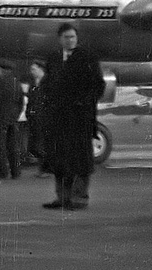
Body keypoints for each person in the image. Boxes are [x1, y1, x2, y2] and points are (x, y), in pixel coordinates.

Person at [41, 24, 105, 210]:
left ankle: (79, 197)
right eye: (67, 37)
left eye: (73, 37)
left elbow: (98, 86)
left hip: (80, 118)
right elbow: (48, 83)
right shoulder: (53, 58)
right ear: (60, 38)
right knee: (59, 160)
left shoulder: (87, 58)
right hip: (59, 118)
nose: (71, 40)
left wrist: (83, 102)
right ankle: (62, 198)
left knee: (79, 160)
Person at [0, 62, 25, 180]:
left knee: (0, 146)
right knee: (13, 146)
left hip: (0, 118)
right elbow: (21, 102)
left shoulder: (0, 83)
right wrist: (15, 115)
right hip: (12, 119)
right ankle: (16, 172)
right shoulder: (17, 83)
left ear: (2, 70)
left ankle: (2, 172)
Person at [24, 60, 50, 176]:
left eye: (34, 69)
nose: (32, 72)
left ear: (41, 69)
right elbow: (30, 99)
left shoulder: (49, 83)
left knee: (43, 144)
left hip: (45, 118)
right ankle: (42, 168)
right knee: (37, 143)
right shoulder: (33, 83)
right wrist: (28, 113)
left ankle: (45, 169)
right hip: (34, 118)